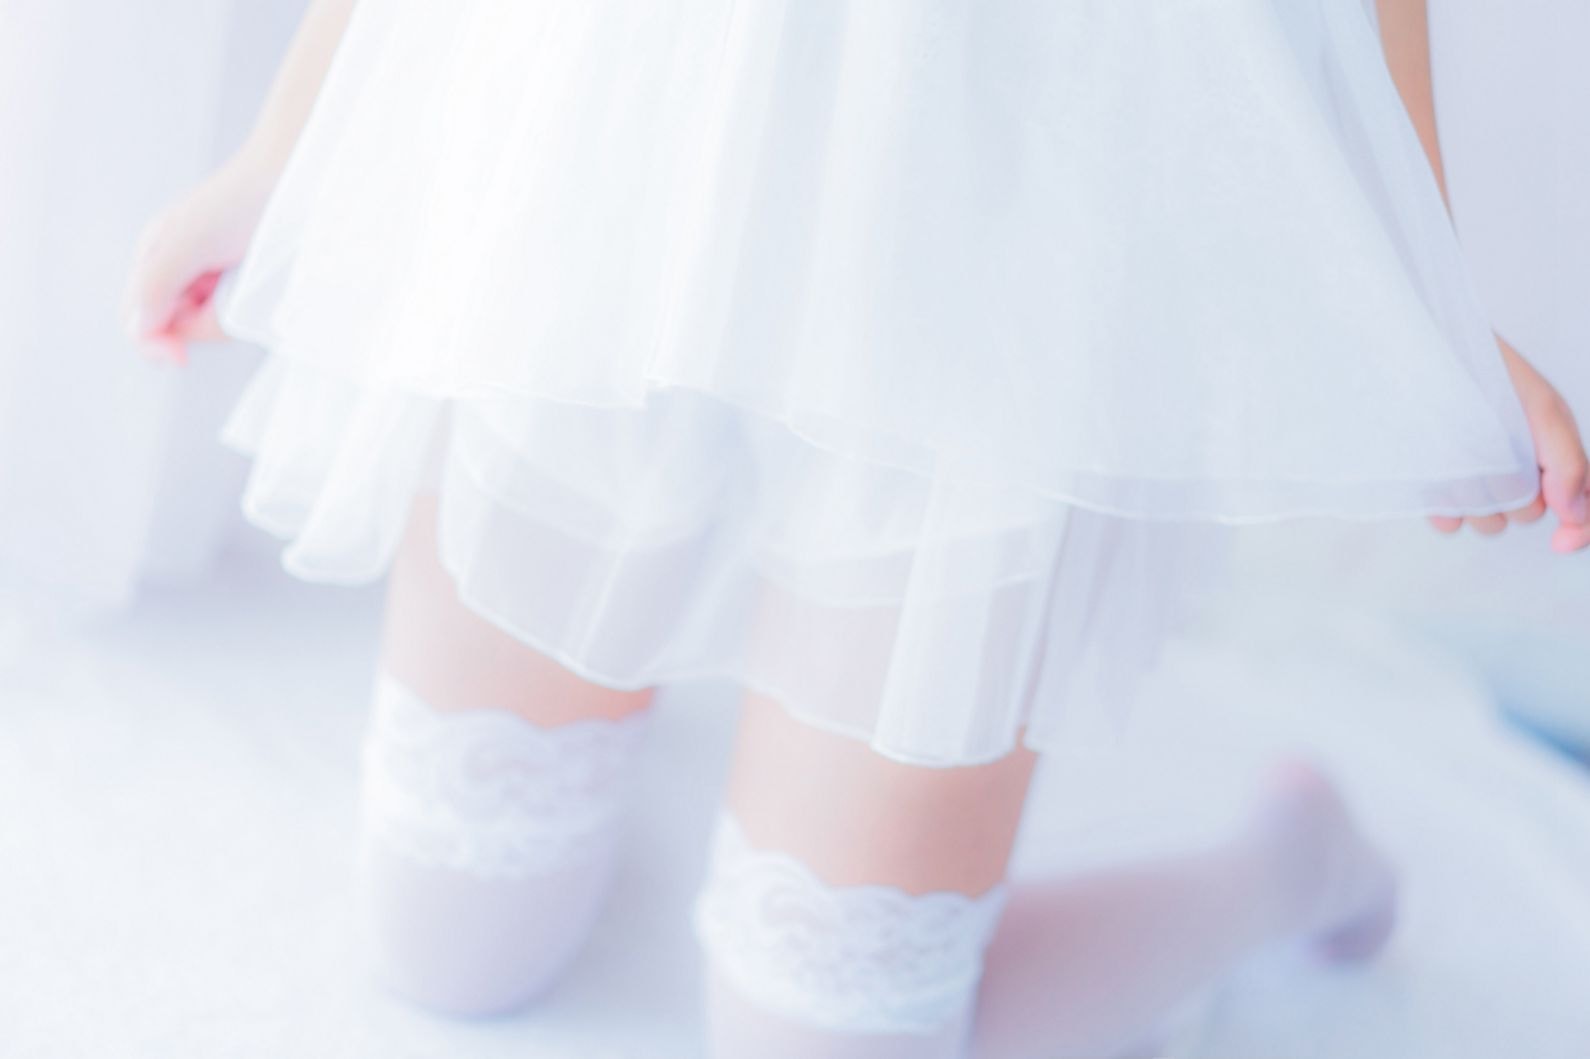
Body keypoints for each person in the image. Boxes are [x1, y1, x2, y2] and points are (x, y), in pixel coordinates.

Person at [122, 1, 1589, 1055]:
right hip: (612, 160)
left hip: (1004, 244)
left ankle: (1284, 864)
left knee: (828, 1034)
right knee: (451, 948)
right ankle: (675, 694)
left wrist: (1426, 299)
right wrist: (289, 144)